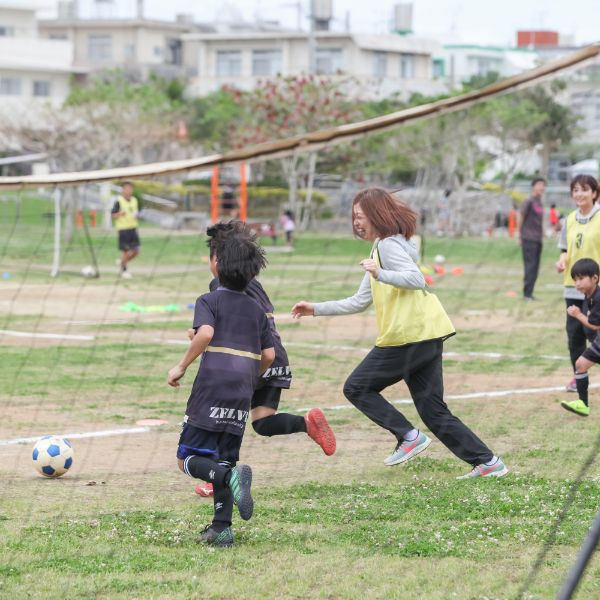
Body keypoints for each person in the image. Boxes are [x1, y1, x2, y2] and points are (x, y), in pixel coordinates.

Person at [291, 187, 508, 479]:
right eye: (353, 216)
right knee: (433, 411)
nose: (356, 222)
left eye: (360, 215)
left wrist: (381, 273)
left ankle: (408, 436)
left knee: (356, 387)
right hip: (428, 334)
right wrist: (314, 308)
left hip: (409, 336)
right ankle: (488, 462)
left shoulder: (387, 246)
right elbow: (359, 301)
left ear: (377, 214)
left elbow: (417, 279)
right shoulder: (385, 245)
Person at [194, 222, 336, 498]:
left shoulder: (221, 285)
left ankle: (219, 477)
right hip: (275, 355)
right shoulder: (254, 284)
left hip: (251, 358)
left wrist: (200, 333)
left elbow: (230, 323)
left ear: (219, 260)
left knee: (224, 417)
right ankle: (306, 423)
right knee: (262, 422)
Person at [167, 226, 275, 547]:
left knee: (186, 459)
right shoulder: (257, 310)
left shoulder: (209, 299)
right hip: (242, 392)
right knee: (223, 458)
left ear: (217, 263)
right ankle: (221, 528)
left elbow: (206, 334)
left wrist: (181, 366)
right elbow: (268, 354)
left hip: (211, 387)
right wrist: (250, 379)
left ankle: (230, 479)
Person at [556, 175, 600, 393]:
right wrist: (563, 259)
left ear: (594, 192)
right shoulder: (570, 218)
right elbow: (565, 248)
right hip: (573, 287)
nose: (579, 194)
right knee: (574, 335)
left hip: (596, 288)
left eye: (584, 189)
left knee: (594, 332)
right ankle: (578, 375)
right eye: (575, 190)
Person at [562, 258, 600, 417]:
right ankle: (583, 404)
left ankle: (583, 404)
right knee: (581, 364)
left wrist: (577, 314)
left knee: (581, 363)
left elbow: (595, 325)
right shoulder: (589, 295)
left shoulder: (598, 298)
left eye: (581, 278)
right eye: (575, 279)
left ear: (595, 278)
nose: (577, 283)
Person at [520, 177, 545, 300]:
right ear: (533, 186)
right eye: (539, 184)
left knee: (535, 267)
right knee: (529, 267)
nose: (542, 187)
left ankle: (530, 293)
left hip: (538, 239)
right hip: (528, 238)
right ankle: (526, 294)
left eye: (543, 185)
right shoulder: (528, 201)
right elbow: (522, 218)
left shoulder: (539, 202)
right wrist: (520, 236)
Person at [111, 181, 140, 279]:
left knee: (136, 251)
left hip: (133, 228)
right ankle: (124, 270)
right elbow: (113, 215)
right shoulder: (118, 201)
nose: (128, 191)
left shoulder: (134, 200)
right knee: (126, 251)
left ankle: (122, 261)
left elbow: (135, 213)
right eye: (126, 188)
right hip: (123, 229)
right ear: (122, 190)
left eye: (130, 189)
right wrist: (120, 214)